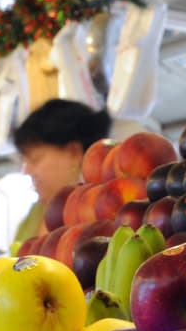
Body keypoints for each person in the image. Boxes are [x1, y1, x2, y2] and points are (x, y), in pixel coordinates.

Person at [10, 99, 112, 252]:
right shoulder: (34, 216)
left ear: (74, 152)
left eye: (35, 159)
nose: (27, 171)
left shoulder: (105, 211)